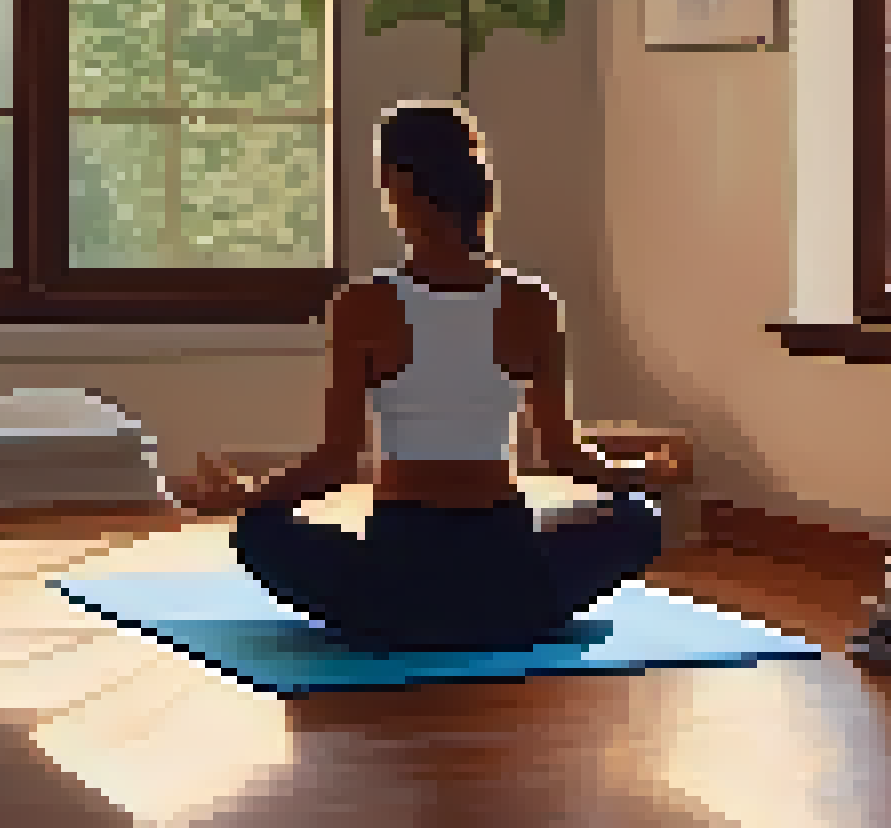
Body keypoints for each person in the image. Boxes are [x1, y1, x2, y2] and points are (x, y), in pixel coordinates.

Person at [167, 100, 686, 653]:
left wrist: (245, 497)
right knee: (640, 520)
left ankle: (402, 618)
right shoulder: (533, 304)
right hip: (508, 585)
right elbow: (564, 453)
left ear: (395, 186)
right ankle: (500, 615)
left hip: (393, 589)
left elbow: (336, 462)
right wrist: (638, 474)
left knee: (259, 534)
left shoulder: (363, 305)